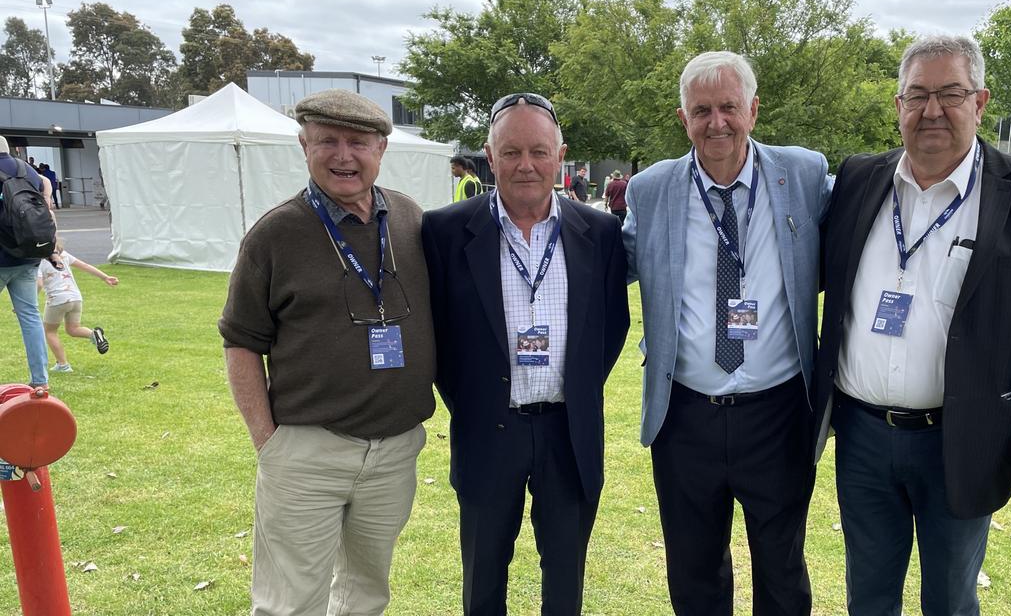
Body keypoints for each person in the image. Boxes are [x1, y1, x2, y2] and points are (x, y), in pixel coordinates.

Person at [811, 35, 1011, 615]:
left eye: (950, 93)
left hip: (963, 439)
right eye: (916, 96)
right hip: (862, 438)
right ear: (897, 106)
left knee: (949, 599)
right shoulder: (859, 180)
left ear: (980, 101)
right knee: (867, 596)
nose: (932, 110)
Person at [623, 51, 831, 615]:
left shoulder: (805, 175)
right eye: (702, 110)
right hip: (684, 414)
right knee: (693, 574)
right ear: (682, 118)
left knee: (782, 570)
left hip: (778, 413)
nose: (717, 122)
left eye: (729, 108)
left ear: (754, 111)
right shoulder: (650, 189)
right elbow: (605, 265)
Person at [219, 89, 438, 616]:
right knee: (289, 603)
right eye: (327, 142)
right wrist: (268, 442)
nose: (344, 156)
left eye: (358, 142)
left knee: (365, 593)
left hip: (395, 450)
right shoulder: (276, 234)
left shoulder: (410, 220)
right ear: (304, 146)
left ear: (381, 149)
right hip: (306, 452)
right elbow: (241, 341)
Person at [422, 92, 629, 615]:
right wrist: (476, 399)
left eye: (539, 151)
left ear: (561, 156)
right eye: (510, 152)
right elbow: (439, 336)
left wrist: (576, 388)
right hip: (488, 431)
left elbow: (611, 328)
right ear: (489, 158)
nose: (525, 165)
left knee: (565, 579)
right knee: (483, 577)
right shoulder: (445, 231)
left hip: (569, 431)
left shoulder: (600, 232)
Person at [0, 137, 51, 388]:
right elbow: (46, 192)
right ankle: (40, 380)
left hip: (1, 256)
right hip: (29, 254)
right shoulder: (26, 169)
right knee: (30, 316)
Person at [38, 240, 117, 372]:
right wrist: (105, 277)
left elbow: (39, 284)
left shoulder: (39, 261)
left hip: (57, 299)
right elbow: (85, 265)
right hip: (76, 298)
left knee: (50, 331)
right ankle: (93, 334)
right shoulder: (63, 255)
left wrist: (29, 302)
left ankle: (63, 365)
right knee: (73, 329)